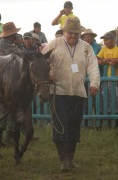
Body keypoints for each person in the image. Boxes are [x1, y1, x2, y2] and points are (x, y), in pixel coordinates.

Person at [42, 17, 100, 172]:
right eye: (70, 33)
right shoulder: (54, 44)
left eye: (76, 33)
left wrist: (94, 83)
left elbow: (93, 66)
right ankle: (63, 160)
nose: (73, 36)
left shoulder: (86, 47)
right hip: (58, 92)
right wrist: (48, 74)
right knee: (61, 126)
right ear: (64, 32)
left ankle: (70, 158)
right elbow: (41, 62)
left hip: (78, 93)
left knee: (74, 126)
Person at [0, 22, 22, 146]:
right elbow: (22, 58)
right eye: (15, 34)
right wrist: (20, 45)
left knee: (3, 109)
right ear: (12, 35)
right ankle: (8, 137)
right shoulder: (10, 46)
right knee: (10, 109)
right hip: (7, 83)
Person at [97, 32, 118, 128]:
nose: (105, 42)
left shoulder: (116, 49)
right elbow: (97, 59)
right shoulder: (103, 49)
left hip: (116, 80)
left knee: (116, 98)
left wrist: (107, 59)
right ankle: (107, 120)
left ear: (113, 40)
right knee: (105, 98)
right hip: (106, 80)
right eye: (104, 40)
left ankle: (115, 120)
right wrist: (106, 61)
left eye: (107, 40)